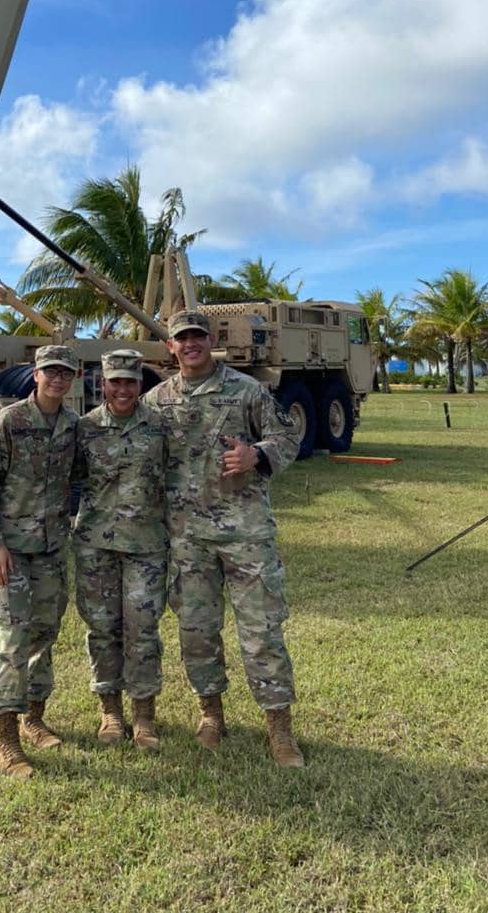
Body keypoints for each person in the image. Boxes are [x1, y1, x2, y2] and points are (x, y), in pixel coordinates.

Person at [143, 309, 305, 768]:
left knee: (262, 632)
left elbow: (287, 436)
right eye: (181, 338)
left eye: (197, 336)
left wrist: (258, 454)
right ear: (171, 347)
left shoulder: (246, 390)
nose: (190, 344)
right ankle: (211, 714)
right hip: (187, 538)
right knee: (196, 631)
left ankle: (279, 729)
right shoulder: (156, 402)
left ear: (210, 340)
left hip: (245, 533)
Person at [0, 344, 80, 778]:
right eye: (50, 371)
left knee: (45, 633)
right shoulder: (9, 421)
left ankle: (34, 717)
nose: (57, 379)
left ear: (72, 379)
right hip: (9, 552)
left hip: (50, 550)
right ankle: (5, 739)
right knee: (13, 639)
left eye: (65, 373)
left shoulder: (71, 426)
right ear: (35, 375)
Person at [72, 349, 168, 751]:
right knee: (103, 629)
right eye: (115, 381)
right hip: (96, 546)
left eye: (130, 381)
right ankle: (110, 711)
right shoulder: (84, 429)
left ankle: (144, 716)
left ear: (140, 385)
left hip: (146, 545)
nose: (123, 389)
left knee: (142, 630)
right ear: (103, 384)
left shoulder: (161, 428)